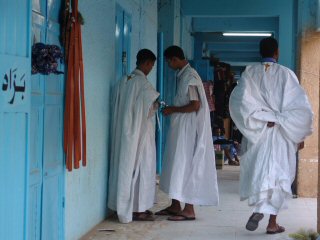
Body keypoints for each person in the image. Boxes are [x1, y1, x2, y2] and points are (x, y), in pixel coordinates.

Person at [229, 37, 313, 234]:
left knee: (260, 172)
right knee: (279, 176)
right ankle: (271, 222)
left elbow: (239, 101)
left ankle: (260, 208)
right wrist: (298, 134)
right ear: (277, 52)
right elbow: (300, 107)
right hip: (281, 133)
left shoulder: (250, 73)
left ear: (261, 53)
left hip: (259, 131)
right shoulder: (287, 75)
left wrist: (259, 117)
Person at [156, 45, 219, 221]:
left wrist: (173, 109)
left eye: (168, 61)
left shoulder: (190, 77)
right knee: (176, 164)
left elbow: (195, 105)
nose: (168, 64)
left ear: (174, 59)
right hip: (182, 129)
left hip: (188, 130)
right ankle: (176, 205)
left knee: (185, 165)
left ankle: (189, 209)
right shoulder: (183, 75)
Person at [108, 49, 160, 223]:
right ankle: (137, 209)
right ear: (146, 63)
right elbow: (149, 108)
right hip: (140, 134)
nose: (151, 68)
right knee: (141, 168)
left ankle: (120, 205)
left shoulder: (123, 81)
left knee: (124, 167)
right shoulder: (143, 85)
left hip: (122, 134)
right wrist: (157, 105)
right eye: (151, 65)